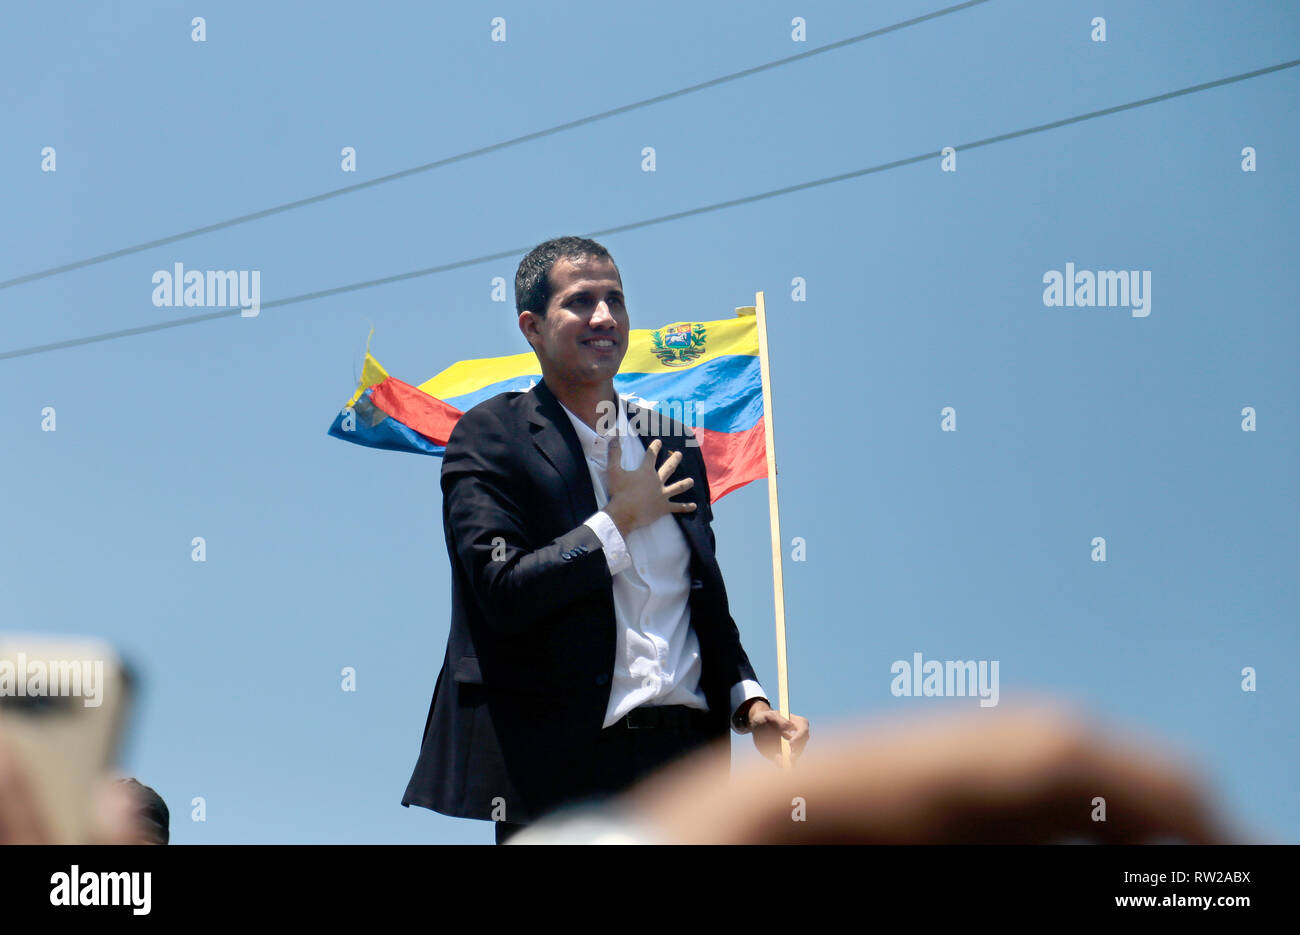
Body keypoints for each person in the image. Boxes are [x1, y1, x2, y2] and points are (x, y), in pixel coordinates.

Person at [401, 236, 809, 842]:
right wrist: (619, 521)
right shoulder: (493, 436)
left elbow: (700, 599)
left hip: (690, 772)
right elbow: (502, 587)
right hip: (561, 776)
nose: (604, 318)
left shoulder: (672, 443)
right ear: (532, 326)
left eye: (615, 300)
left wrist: (749, 703)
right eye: (580, 302)